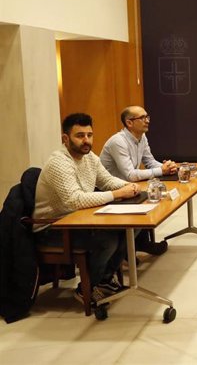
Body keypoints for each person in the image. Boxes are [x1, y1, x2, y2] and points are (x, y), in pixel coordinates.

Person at [32, 113, 141, 305]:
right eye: (80, 135)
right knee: (107, 239)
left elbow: (107, 181)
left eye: (89, 135)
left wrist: (128, 187)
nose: (86, 140)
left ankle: (104, 281)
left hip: (80, 219)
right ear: (65, 139)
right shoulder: (59, 162)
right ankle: (87, 288)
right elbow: (74, 200)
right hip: (52, 227)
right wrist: (117, 194)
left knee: (130, 228)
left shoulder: (89, 157)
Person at [100, 106, 177, 255]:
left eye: (147, 116)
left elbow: (150, 162)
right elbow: (130, 175)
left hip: (128, 187)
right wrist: (162, 171)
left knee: (152, 200)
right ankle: (126, 250)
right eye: (142, 118)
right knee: (148, 200)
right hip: (111, 190)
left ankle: (141, 244)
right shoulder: (118, 141)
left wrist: (167, 167)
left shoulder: (141, 137)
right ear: (129, 123)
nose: (147, 120)